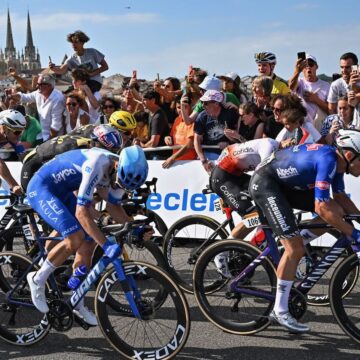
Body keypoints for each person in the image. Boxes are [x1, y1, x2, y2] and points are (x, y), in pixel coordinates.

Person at [249, 130, 360, 333]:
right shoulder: (329, 161)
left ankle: (296, 247)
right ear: (350, 155)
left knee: (337, 210)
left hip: (284, 185)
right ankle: (279, 311)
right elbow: (320, 207)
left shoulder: (338, 164)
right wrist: (355, 234)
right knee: (295, 248)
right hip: (266, 184)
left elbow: (341, 199)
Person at [26, 145, 149, 325]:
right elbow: (82, 213)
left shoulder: (119, 169)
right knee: (75, 237)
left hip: (63, 190)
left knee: (89, 243)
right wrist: (106, 245)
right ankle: (38, 279)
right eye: (120, 183)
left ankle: (78, 301)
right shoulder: (97, 164)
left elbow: (114, 206)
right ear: (116, 167)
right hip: (42, 188)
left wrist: (135, 228)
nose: (119, 187)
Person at [210, 137, 279, 239]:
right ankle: (223, 252)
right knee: (253, 217)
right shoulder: (269, 146)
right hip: (222, 179)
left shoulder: (277, 147)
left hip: (236, 176)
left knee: (266, 206)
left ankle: (257, 244)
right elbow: (263, 173)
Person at [21, 124, 122, 191]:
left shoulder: (89, 145)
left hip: (47, 166)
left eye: (114, 151)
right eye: (108, 150)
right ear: (97, 143)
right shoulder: (78, 148)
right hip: (33, 164)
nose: (109, 155)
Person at [194, 90, 239, 173]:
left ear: (216, 103)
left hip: (227, 155)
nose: (203, 106)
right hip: (207, 154)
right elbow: (196, 140)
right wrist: (203, 161)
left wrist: (229, 144)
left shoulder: (230, 114)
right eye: (202, 102)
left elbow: (239, 138)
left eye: (206, 103)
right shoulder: (202, 117)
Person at [10, 74, 65, 141]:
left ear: (49, 86)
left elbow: (56, 126)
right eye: (37, 84)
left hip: (55, 139)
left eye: (40, 84)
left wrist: (48, 143)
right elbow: (25, 97)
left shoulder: (58, 99)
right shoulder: (38, 93)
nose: (37, 86)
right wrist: (12, 96)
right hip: (42, 135)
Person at [288, 53, 330, 130]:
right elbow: (291, 86)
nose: (308, 67)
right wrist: (297, 71)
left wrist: (316, 100)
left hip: (320, 127)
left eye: (310, 64)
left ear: (316, 67)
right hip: (302, 127)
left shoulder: (326, 85)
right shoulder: (299, 82)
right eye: (304, 65)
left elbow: (331, 111)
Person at [162, 96, 197, 168]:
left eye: (185, 107)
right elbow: (171, 136)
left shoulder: (194, 122)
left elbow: (189, 145)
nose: (181, 110)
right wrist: (167, 138)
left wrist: (172, 157)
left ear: (191, 106)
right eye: (179, 107)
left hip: (190, 163)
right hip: (175, 163)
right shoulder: (177, 120)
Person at [134, 90, 169, 158]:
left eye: (144, 100)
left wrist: (142, 146)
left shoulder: (158, 117)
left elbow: (154, 143)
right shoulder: (151, 113)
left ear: (153, 100)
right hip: (154, 152)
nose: (142, 102)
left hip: (159, 155)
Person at [0, 109, 27, 194]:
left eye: (21, 131)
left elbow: (26, 159)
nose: (19, 135)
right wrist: (14, 185)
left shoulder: (10, 135)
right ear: (4, 128)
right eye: (17, 132)